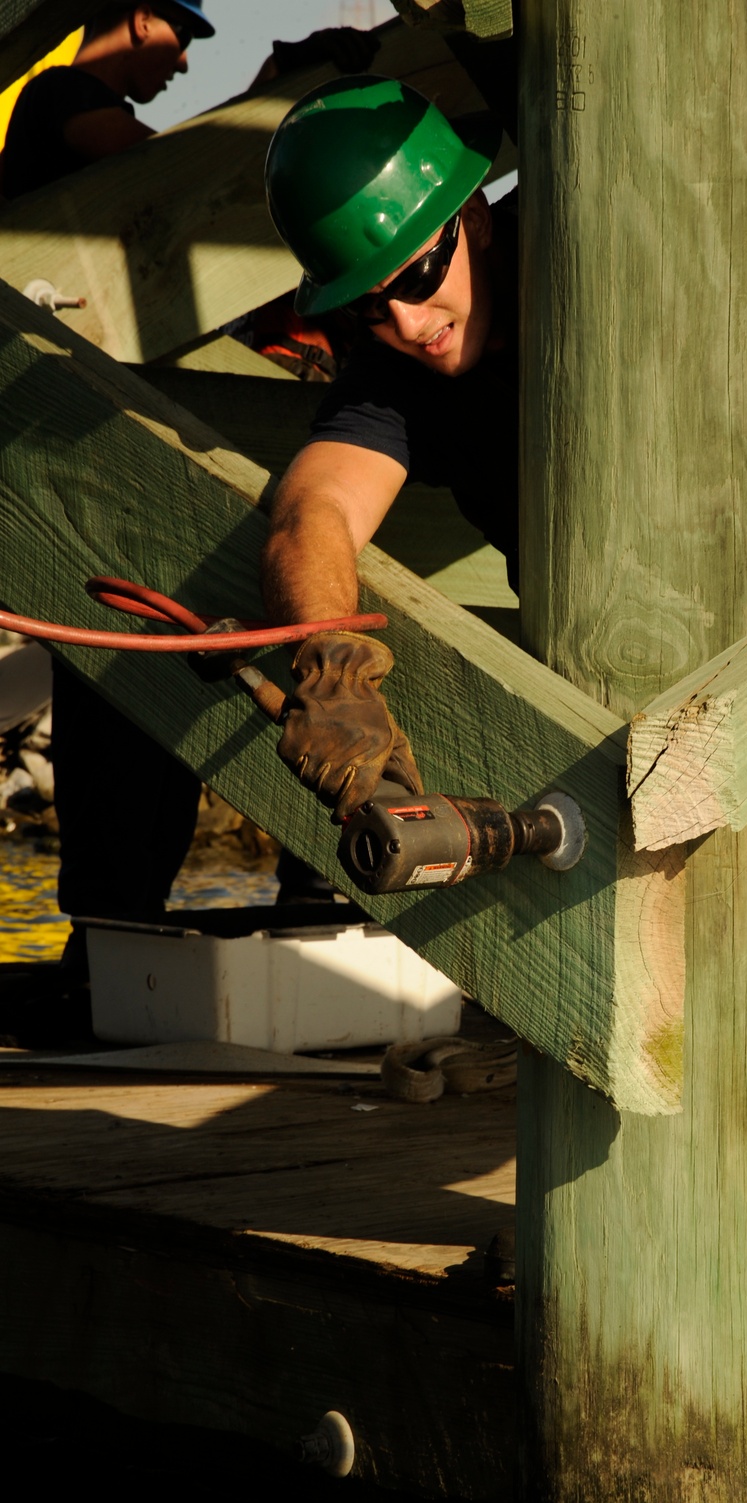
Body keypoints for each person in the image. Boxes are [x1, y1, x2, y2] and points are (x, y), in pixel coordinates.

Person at [260, 72, 747, 1356]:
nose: (407, 317)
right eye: (365, 301)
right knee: (669, 837)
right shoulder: (401, 368)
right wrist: (333, 665)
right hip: (662, 597)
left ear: (472, 220)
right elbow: (313, 508)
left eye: (421, 272)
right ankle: (724, 1180)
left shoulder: (614, 227)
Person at [0, 6, 378, 1021]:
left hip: (129, 442)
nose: (184, 58)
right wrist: (277, 110)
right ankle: (144, 938)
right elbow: (178, 192)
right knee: (132, 716)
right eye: (181, 30)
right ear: (128, 11)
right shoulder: (63, 97)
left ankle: (131, 941)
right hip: (97, 440)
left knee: (138, 720)